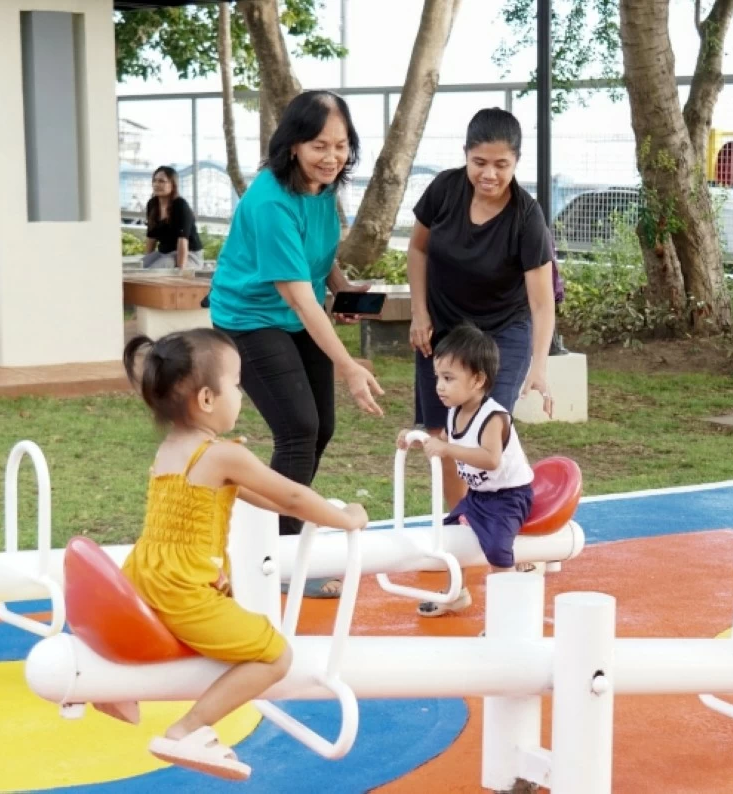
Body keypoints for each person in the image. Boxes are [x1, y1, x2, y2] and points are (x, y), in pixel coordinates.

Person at [118, 329, 368, 780]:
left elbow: (262, 498)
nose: (242, 395)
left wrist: (319, 512)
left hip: (146, 572)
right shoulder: (220, 455)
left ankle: (114, 682)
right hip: (181, 587)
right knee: (274, 655)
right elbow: (291, 497)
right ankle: (187, 731)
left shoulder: (175, 448)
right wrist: (344, 518)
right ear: (208, 399)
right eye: (237, 384)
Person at [210, 90, 384, 598]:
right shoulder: (268, 201)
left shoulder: (324, 188)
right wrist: (349, 365)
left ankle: (266, 535)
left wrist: (343, 287)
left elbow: (318, 257)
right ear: (291, 146)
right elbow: (300, 300)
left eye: (341, 144)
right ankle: (277, 561)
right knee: (298, 428)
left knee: (318, 427)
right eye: (318, 145)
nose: (332, 156)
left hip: (290, 312)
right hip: (250, 317)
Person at [407, 108, 555, 509]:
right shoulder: (444, 189)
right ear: (466, 155)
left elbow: (542, 304)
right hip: (444, 331)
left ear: (516, 163)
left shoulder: (527, 217)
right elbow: (418, 249)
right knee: (442, 431)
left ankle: (500, 520)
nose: (489, 174)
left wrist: (539, 366)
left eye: (501, 165)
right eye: (479, 163)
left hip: (500, 333)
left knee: (486, 430)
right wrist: (419, 314)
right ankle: (457, 522)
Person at [397, 324, 535, 617]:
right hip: (479, 495)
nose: (439, 386)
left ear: (477, 380)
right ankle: (455, 593)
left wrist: (446, 450)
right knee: (447, 536)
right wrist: (417, 441)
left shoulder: (493, 417)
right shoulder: (456, 410)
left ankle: (507, 615)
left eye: (448, 378)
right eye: (438, 378)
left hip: (509, 497)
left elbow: (490, 459)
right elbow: (445, 441)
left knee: (498, 549)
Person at [142, 166, 205, 270]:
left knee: (156, 268)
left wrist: (180, 272)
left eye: (162, 181)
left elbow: (183, 240)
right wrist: (147, 259)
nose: (157, 184)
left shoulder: (180, 205)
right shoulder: (152, 204)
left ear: (173, 185)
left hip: (188, 255)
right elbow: (151, 238)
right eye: (155, 181)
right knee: (140, 267)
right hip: (164, 253)